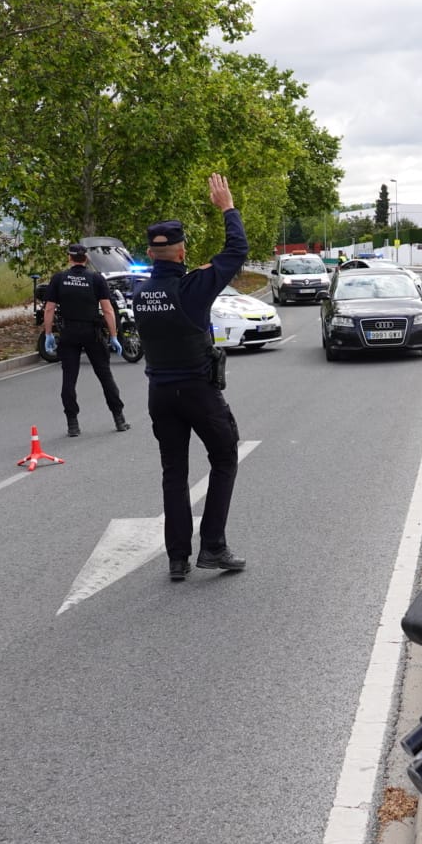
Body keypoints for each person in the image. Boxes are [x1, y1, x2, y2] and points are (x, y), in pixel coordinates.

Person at [133, 174, 248, 582]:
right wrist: (227, 207)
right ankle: (213, 547)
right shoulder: (194, 287)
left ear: (150, 254)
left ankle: (177, 558)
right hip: (197, 390)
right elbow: (237, 250)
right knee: (225, 456)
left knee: (173, 473)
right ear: (181, 252)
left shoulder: (140, 293)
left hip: (159, 393)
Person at [41, 242, 129, 437]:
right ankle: (119, 418)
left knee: (69, 379)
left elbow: (49, 308)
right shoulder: (96, 279)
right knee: (105, 376)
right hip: (92, 332)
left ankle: (72, 423)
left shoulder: (59, 278)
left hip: (69, 332)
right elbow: (107, 310)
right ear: (86, 258)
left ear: (69, 258)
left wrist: (48, 333)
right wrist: (114, 336)